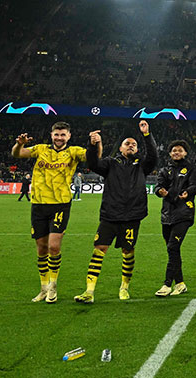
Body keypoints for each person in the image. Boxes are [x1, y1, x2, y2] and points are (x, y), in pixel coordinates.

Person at [11, 123, 97, 304]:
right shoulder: (40, 149)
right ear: (51, 135)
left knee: (53, 246)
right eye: (56, 134)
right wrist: (20, 144)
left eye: (63, 135)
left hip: (60, 204)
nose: (59, 138)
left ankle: (53, 286)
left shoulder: (74, 152)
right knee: (41, 248)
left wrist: (96, 143)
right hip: (38, 204)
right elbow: (17, 154)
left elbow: (94, 158)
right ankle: (43, 288)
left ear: (69, 136)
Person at [75, 121, 158, 303]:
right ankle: (89, 291)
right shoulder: (110, 163)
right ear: (120, 148)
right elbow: (93, 163)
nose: (131, 146)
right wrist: (92, 144)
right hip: (110, 215)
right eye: (127, 143)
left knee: (128, 251)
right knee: (99, 249)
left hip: (132, 216)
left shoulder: (141, 165)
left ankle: (124, 287)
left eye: (134, 144)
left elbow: (153, 156)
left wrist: (146, 135)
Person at [154, 139, 196, 297]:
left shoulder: (192, 169)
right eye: (174, 150)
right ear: (170, 153)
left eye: (179, 150)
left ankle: (167, 284)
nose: (176, 152)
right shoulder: (164, 170)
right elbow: (158, 185)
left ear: (185, 152)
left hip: (184, 213)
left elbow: (194, 185)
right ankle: (180, 284)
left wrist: (188, 192)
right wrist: (160, 190)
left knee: (172, 247)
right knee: (173, 250)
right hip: (167, 215)